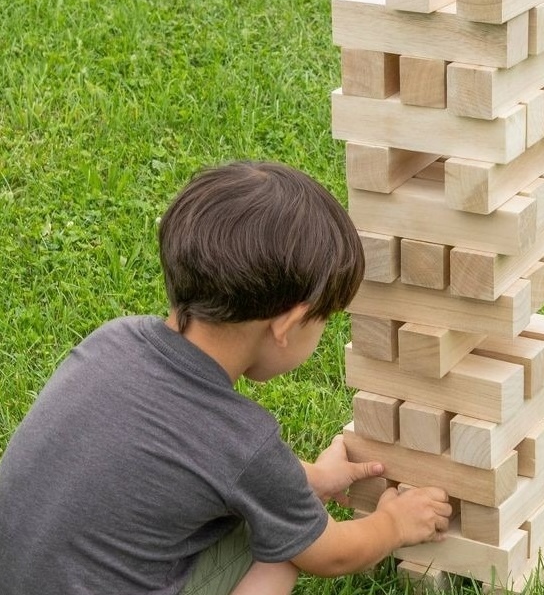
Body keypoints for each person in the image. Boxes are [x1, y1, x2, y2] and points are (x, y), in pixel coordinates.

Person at [0, 161, 452, 595]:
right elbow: (330, 555)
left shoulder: (112, 340)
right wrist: (393, 524)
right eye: (324, 321)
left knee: (268, 506)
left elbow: (185, 455)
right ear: (288, 325)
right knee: (285, 547)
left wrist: (306, 477)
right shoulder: (241, 440)